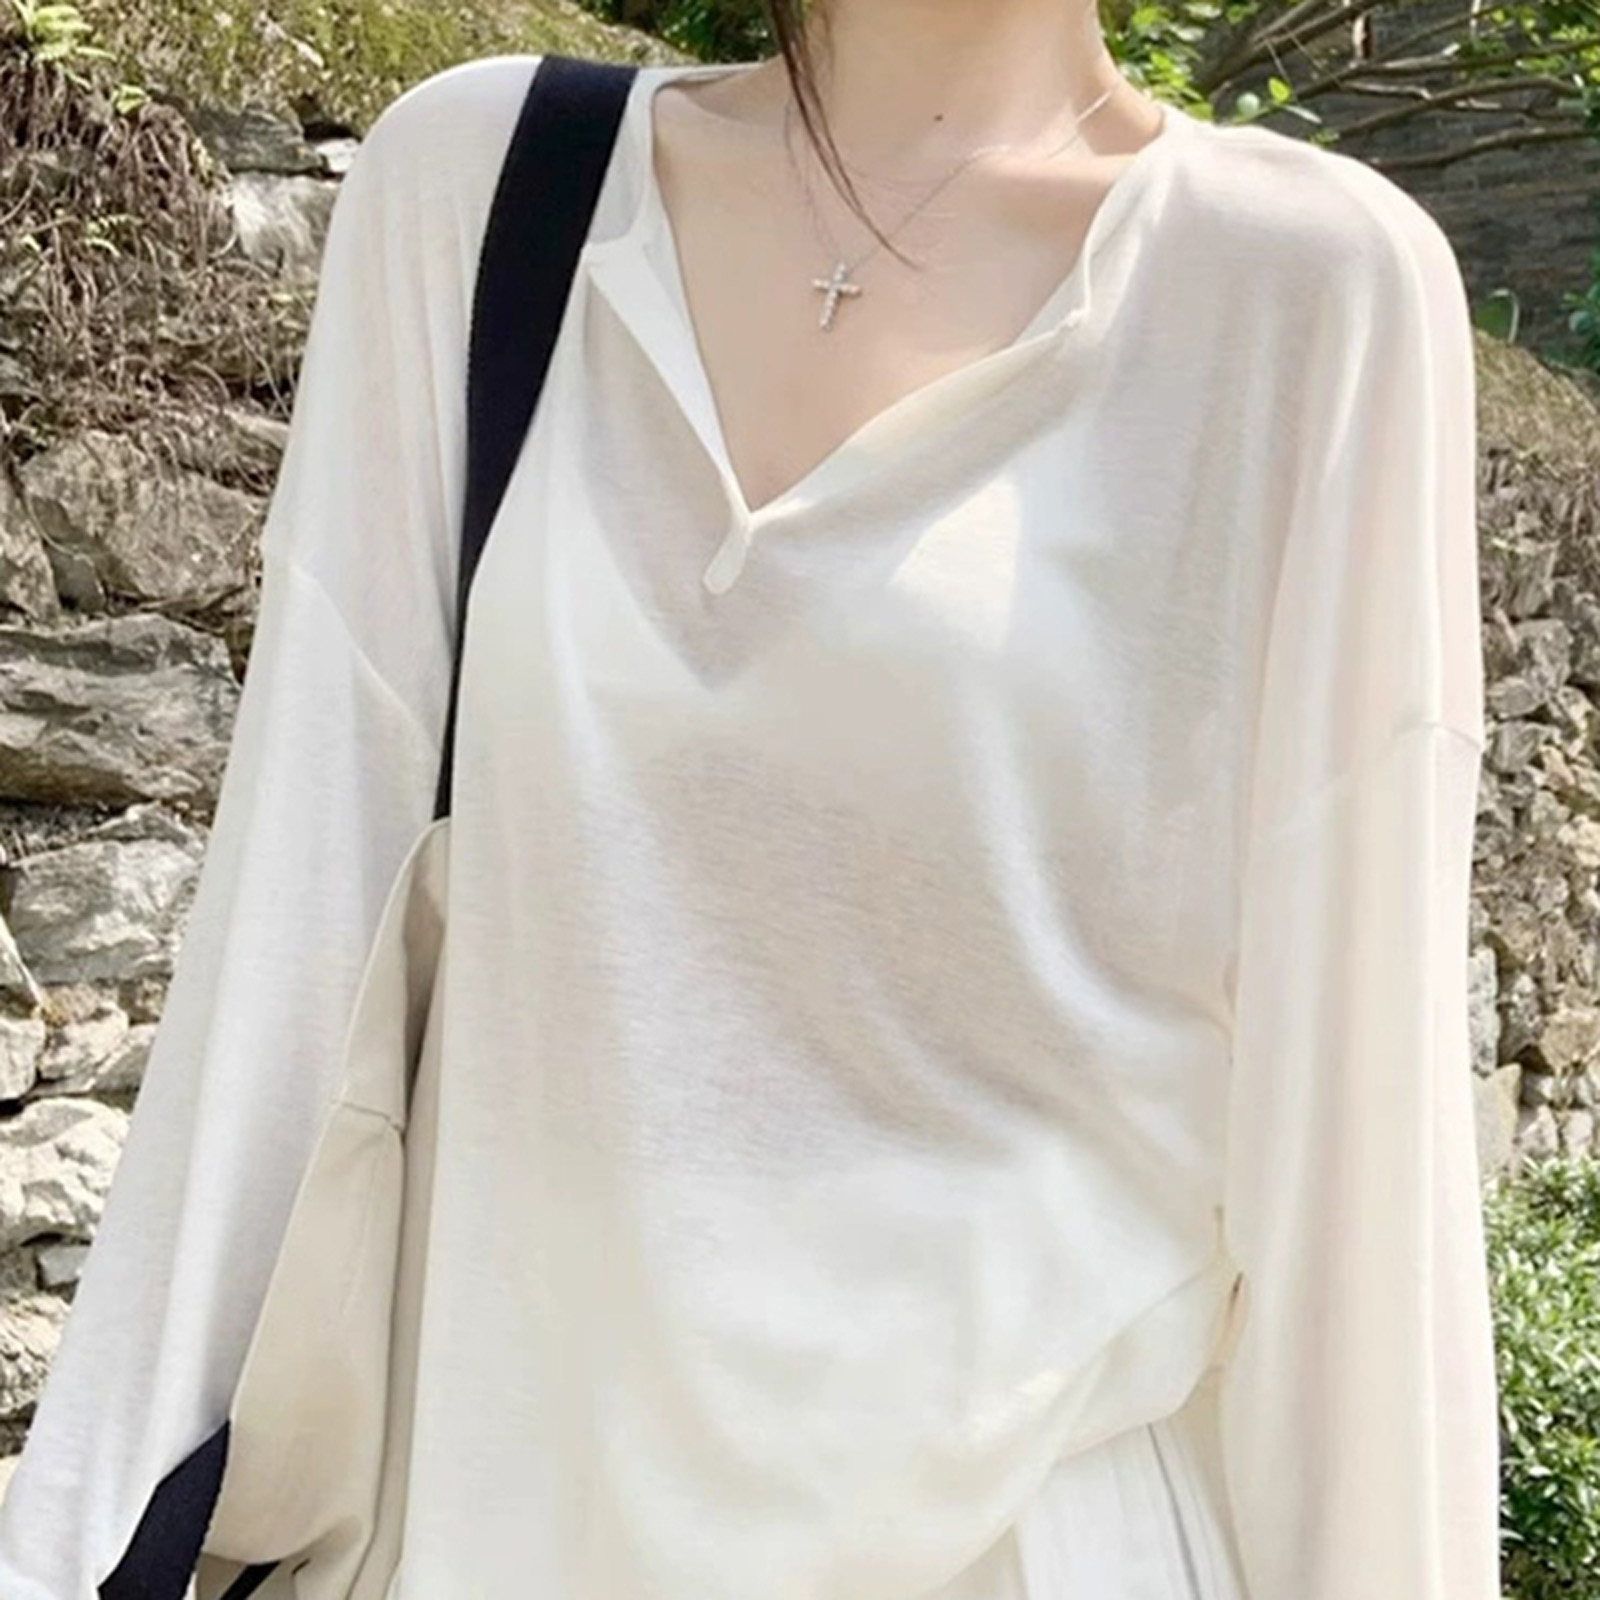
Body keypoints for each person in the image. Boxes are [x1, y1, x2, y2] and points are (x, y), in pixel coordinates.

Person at [0, 0, 1501, 1596]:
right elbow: (290, 931)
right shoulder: (492, 189)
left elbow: (1356, 1169)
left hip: (1035, 1540)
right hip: (491, 1516)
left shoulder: (1303, 289)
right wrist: (80, 1536)